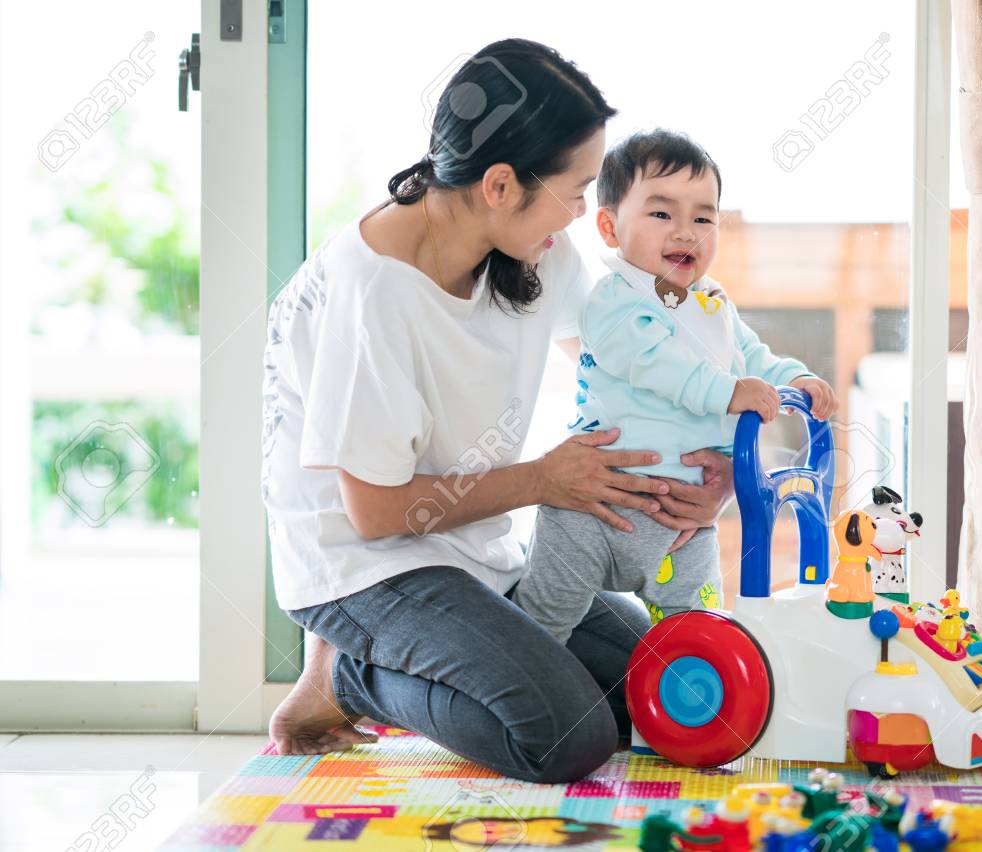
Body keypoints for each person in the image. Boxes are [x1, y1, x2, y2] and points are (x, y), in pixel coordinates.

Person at [260, 39, 732, 783]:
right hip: (364, 567)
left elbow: (617, 363)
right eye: (576, 190)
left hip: (473, 545)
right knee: (567, 739)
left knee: (651, 688)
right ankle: (350, 674)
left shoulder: (535, 247)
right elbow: (376, 514)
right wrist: (546, 481)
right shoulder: (374, 292)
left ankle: (418, 660)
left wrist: (704, 465)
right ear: (502, 184)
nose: (583, 213)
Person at [512, 130, 837, 641]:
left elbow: (751, 355)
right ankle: (527, 690)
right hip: (593, 510)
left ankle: (692, 716)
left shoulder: (710, 303)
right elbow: (659, 363)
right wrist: (732, 392)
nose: (687, 232)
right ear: (610, 227)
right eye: (662, 214)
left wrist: (792, 377)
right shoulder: (613, 301)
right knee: (544, 626)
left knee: (699, 637)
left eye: (703, 218)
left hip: (683, 523)